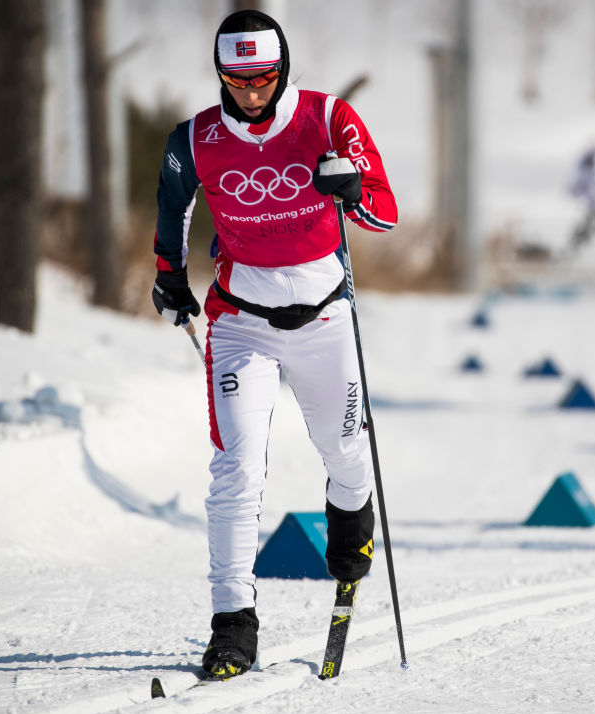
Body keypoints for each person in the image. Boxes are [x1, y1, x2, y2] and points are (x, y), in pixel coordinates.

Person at [150, 9, 397, 679]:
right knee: (236, 470)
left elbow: (384, 208)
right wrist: (170, 278)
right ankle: (233, 625)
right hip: (241, 324)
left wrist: (350, 190)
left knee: (344, 451)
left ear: (282, 69)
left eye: (263, 79)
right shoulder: (195, 138)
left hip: (323, 320)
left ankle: (351, 542)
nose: (251, 93)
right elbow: (173, 204)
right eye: (236, 81)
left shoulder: (328, 118)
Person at [567, 143, 595, 251]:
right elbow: (577, 184)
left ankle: (582, 241)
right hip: (590, 201)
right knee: (591, 222)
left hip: (593, 201)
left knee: (591, 221)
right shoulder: (582, 166)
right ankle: (581, 241)